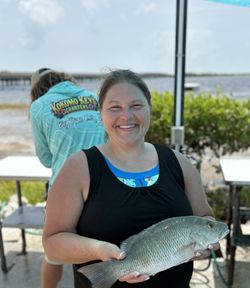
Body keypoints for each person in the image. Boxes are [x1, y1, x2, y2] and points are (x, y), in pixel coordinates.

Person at [42, 69, 219, 288]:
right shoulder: (79, 168)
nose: (126, 116)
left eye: (136, 106)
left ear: (149, 109)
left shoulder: (179, 163)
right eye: (114, 107)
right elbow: (53, 243)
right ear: (101, 113)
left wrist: (204, 245)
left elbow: (204, 217)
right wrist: (100, 251)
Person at [29, 68, 105, 288]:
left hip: (65, 190)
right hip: (103, 184)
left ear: (37, 88)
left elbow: (45, 158)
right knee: (99, 251)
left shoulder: (39, 106)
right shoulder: (94, 97)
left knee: (54, 253)